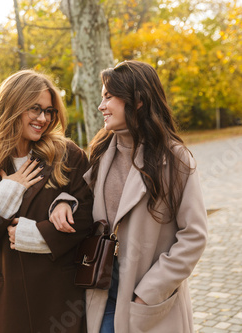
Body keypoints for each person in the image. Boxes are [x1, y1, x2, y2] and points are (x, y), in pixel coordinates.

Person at [49, 60, 208, 333]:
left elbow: (194, 235)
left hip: (147, 296)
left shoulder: (175, 159)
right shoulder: (101, 151)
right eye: (102, 98)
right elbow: (84, 200)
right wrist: (64, 202)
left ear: (137, 101)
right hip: (101, 288)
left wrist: (149, 291)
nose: (101, 106)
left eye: (108, 97)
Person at [0, 70, 93, 333]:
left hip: (58, 294)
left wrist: (43, 232)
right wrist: (4, 196)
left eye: (49, 111)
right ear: (13, 106)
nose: (43, 118)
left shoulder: (68, 155)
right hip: (10, 296)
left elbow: (90, 214)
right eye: (35, 109)